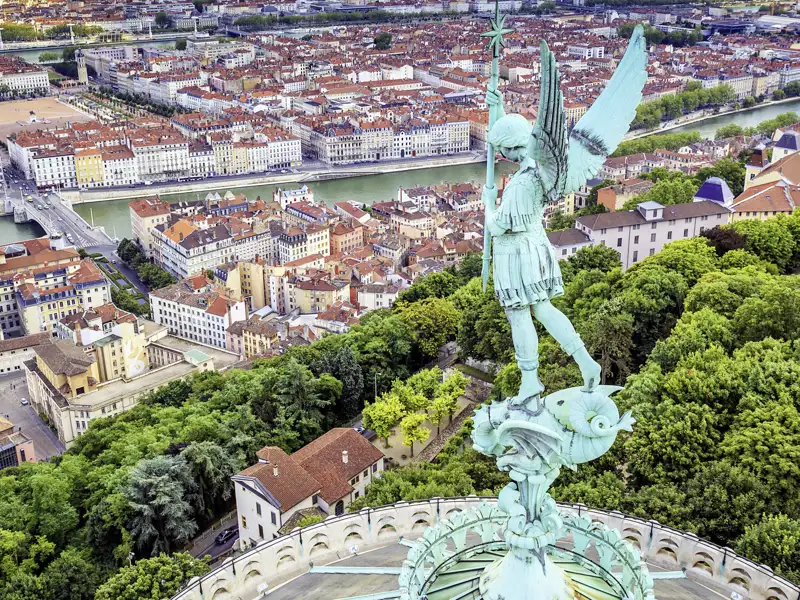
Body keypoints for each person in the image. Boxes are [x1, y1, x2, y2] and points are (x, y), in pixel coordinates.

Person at [483, 88, 601, 405]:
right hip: (534, 246)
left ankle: (530, 381)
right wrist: (500, 110)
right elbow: (517, 138)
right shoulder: (537, 168)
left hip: (517, 253)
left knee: (519, 316)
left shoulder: (522, 183)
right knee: (543, 309)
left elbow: (497, 226)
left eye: (508, 150)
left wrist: (486, 205)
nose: (507, 156)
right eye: (504, 151)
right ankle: (586, 363)